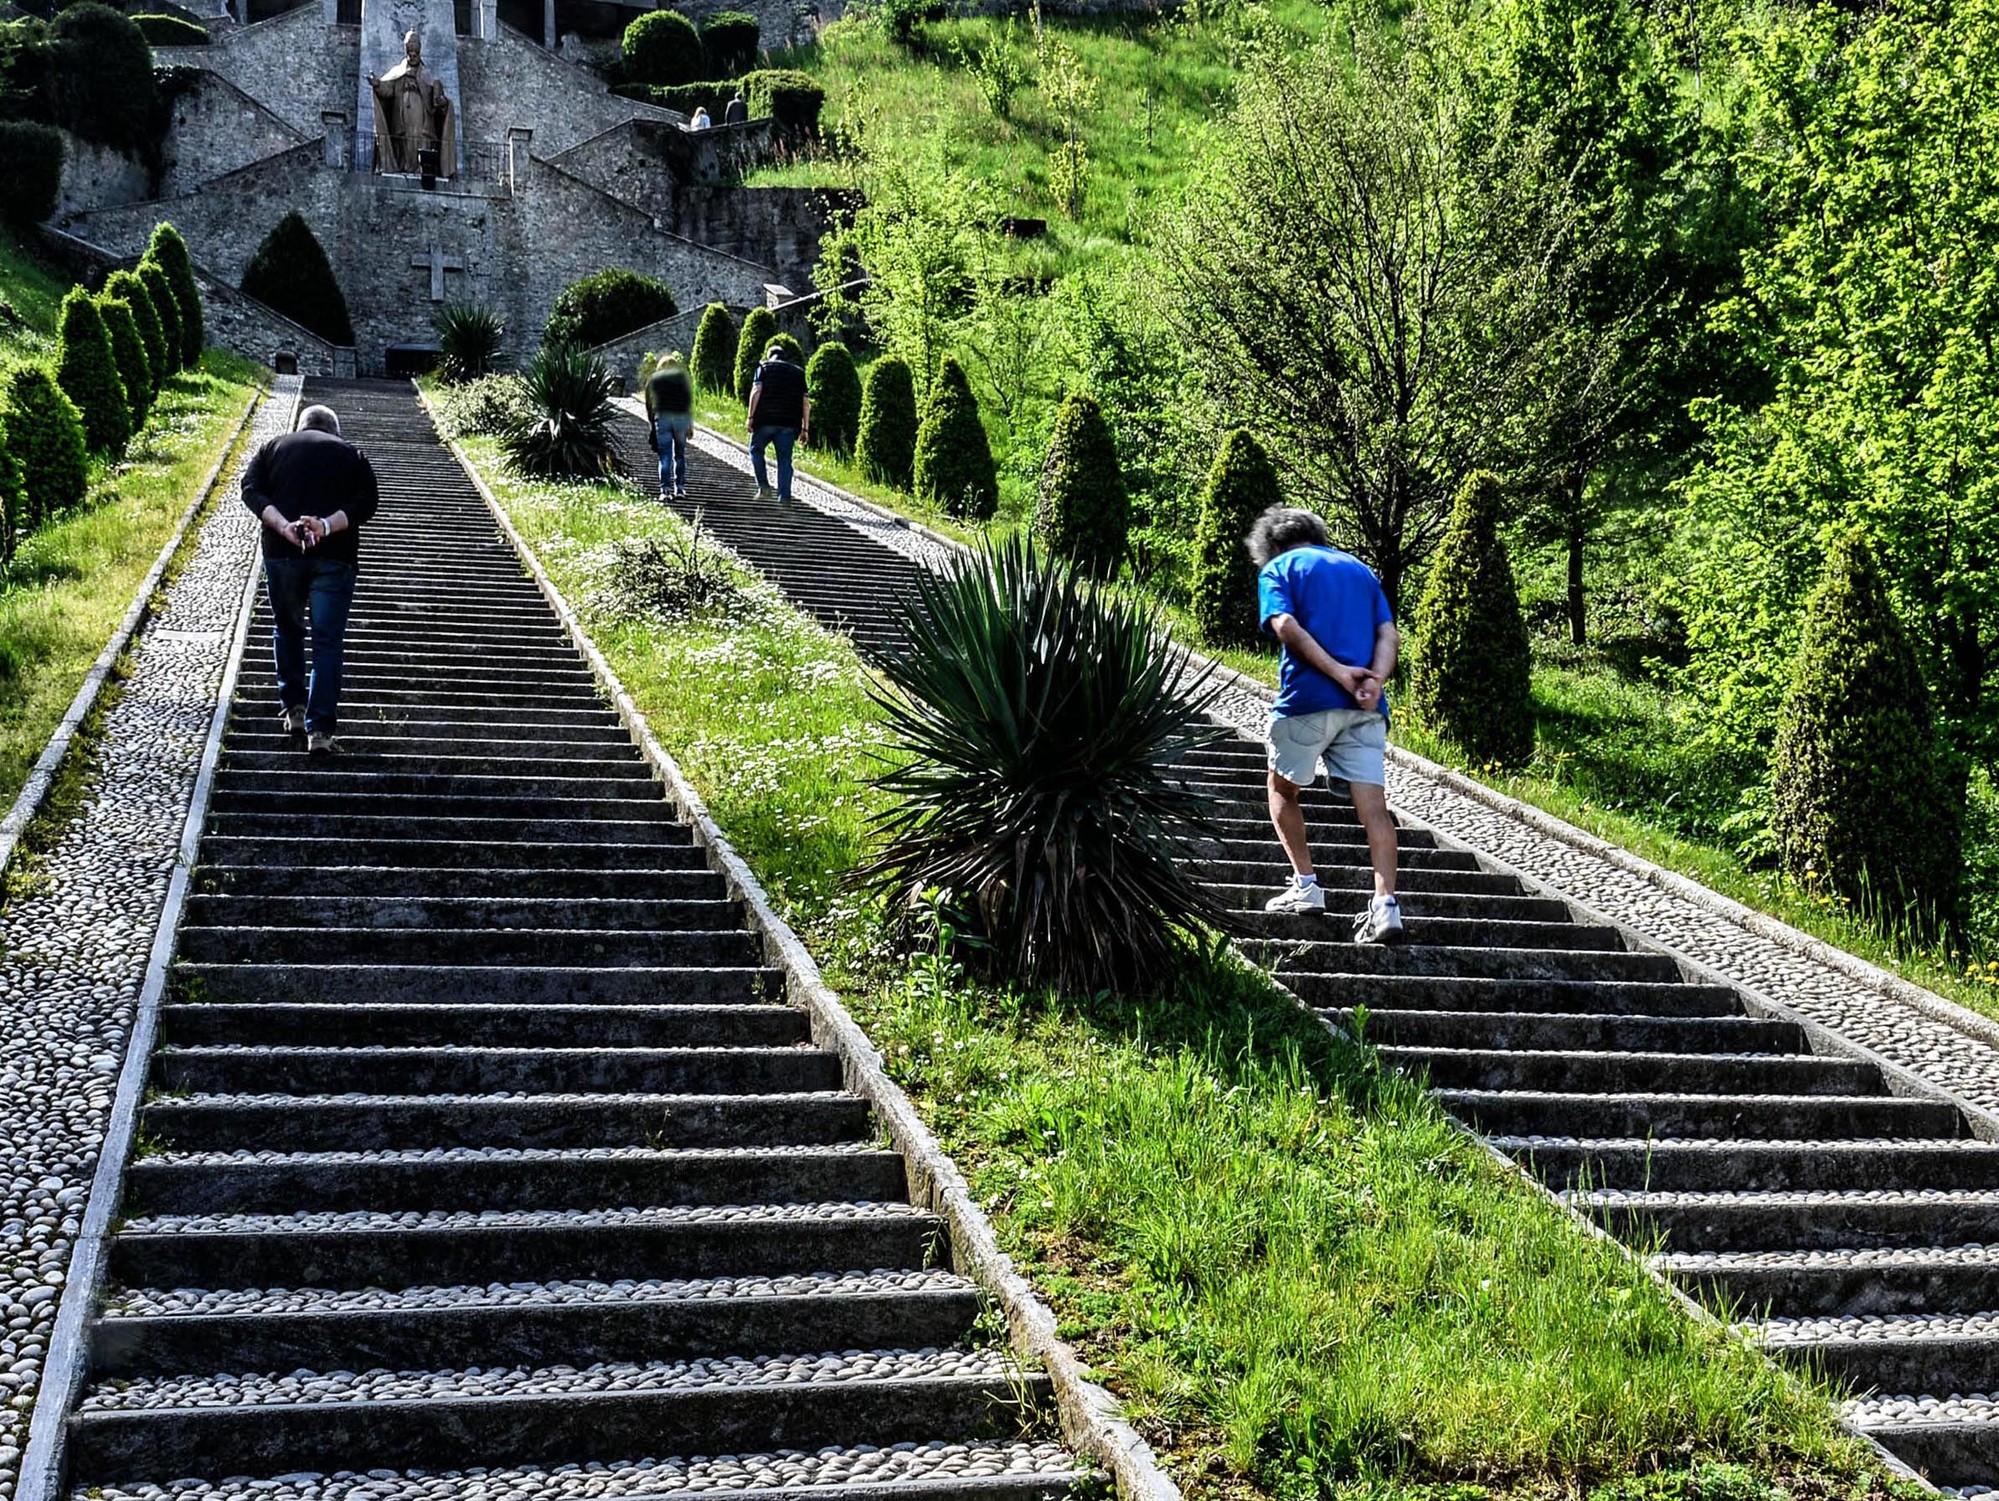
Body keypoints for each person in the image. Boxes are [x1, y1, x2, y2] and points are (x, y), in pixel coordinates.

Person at [1249, 505, 1405, 943]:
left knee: (1282, 789)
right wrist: (1373, 679)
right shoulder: (1359, 569)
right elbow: (1388, 634)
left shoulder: (1279, 568)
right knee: (1374, 808)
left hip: (1307, 699)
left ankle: (1305, 887)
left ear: (1272, 545)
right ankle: (1386, 906)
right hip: (1366, 706)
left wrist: (1337, 672)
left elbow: (1283, 624)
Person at [240, 404, 379, 757]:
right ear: (335, 430)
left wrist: (283, 525)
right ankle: (321, 732)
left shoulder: (272, 447)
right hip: (334, 558)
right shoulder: (351, 454)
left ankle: (294, 710)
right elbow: (368, 501)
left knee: (287, 629)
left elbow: (250, 489)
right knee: (327, 642)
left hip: (282, 554)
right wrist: (326, 525)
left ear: (301, 427)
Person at [745, 340, 810, 502]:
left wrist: (750, 417)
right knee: (785, 461)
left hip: (765, 420)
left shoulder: (763, 367)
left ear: (769, 356)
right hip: (789, 423)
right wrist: (805, 429)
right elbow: (805, 402)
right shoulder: (798, 372)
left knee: (755, 450)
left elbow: (756, 390)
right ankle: (784, 498)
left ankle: (764, 488)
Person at [644, 352, 694, 500]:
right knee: (679, 455)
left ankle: (664, 491)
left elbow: (649, 404)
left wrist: (652, 422)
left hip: (663, 418)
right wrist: (690, 425)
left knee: (665, 456)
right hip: (680, 419)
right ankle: (680, 488)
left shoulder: (653, 380)